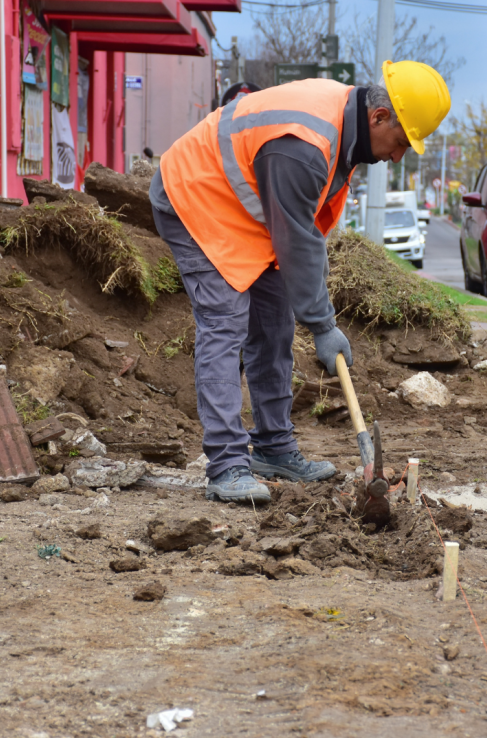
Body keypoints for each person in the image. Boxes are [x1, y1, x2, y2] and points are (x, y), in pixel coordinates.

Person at [148, 61, 451, 504]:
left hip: (248, 213)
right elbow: (297, 240)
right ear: (379, 118)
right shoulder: (305, 146)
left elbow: (305, 235)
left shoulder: (343, 128)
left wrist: (313, 316)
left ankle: (273, 448)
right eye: (402, 142)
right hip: (197, 197)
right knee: (226, 322)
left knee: (273, 323)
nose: (397, 156)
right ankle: (227, 465)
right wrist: (324, 325)